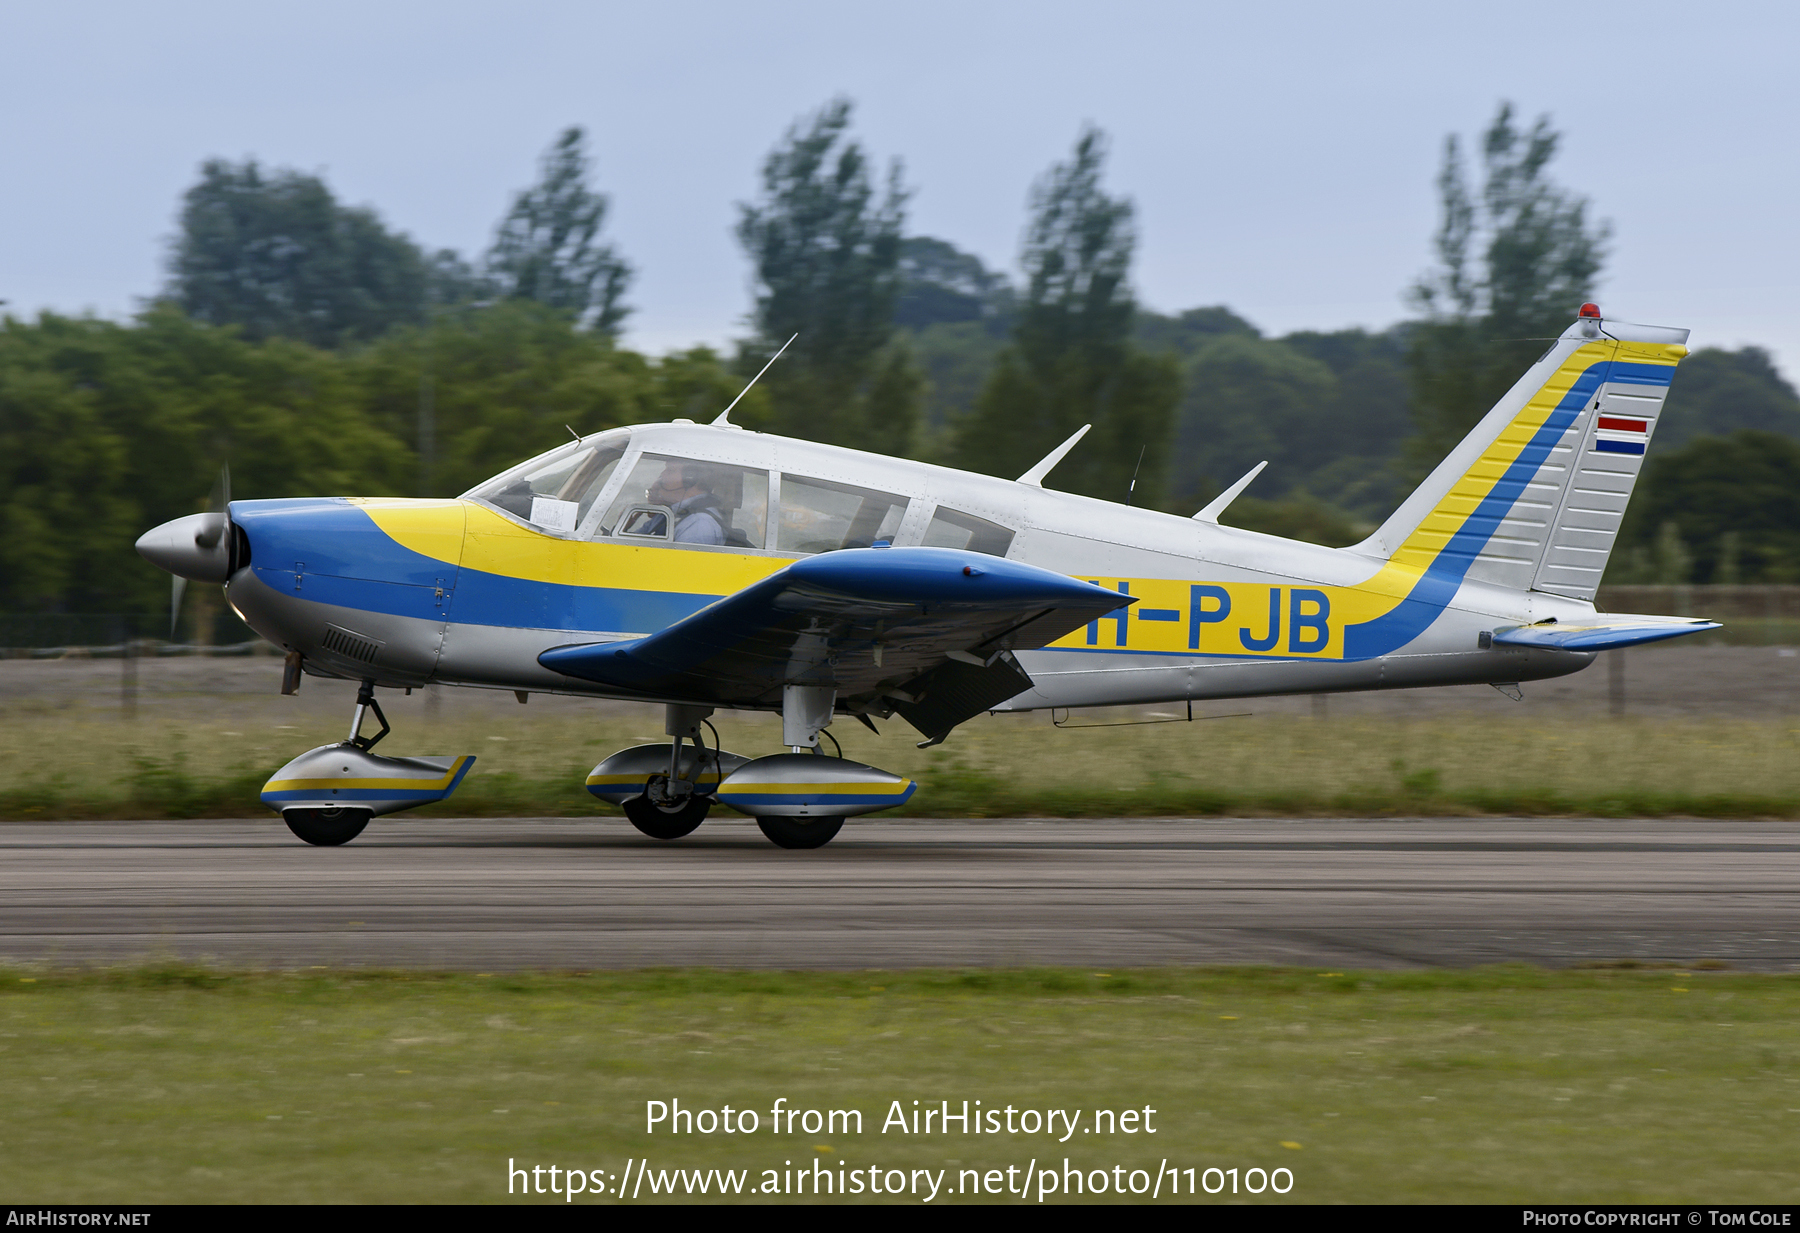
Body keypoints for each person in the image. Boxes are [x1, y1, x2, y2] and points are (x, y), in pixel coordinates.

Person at [645, 462, 727, 545]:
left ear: (689, 480)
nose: (662, 474)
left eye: (670, 470)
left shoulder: (698, 524)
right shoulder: (671, 513)